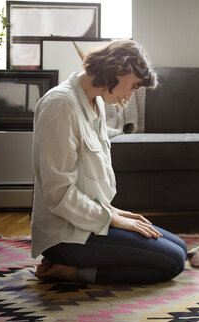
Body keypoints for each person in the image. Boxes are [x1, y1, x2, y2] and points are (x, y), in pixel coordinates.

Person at [31, 40, 187, 284]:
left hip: (90, 222)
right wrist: (113, 220)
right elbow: (58, 194)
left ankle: (83, 262)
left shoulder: (96, 103)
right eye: (134, 86)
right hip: (66, 236)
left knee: (180, 248)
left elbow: (86, 182)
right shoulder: (61, 105)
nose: (131, 94)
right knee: (173, 262)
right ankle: (71, 270)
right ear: (119, 70)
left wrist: (115, 212)